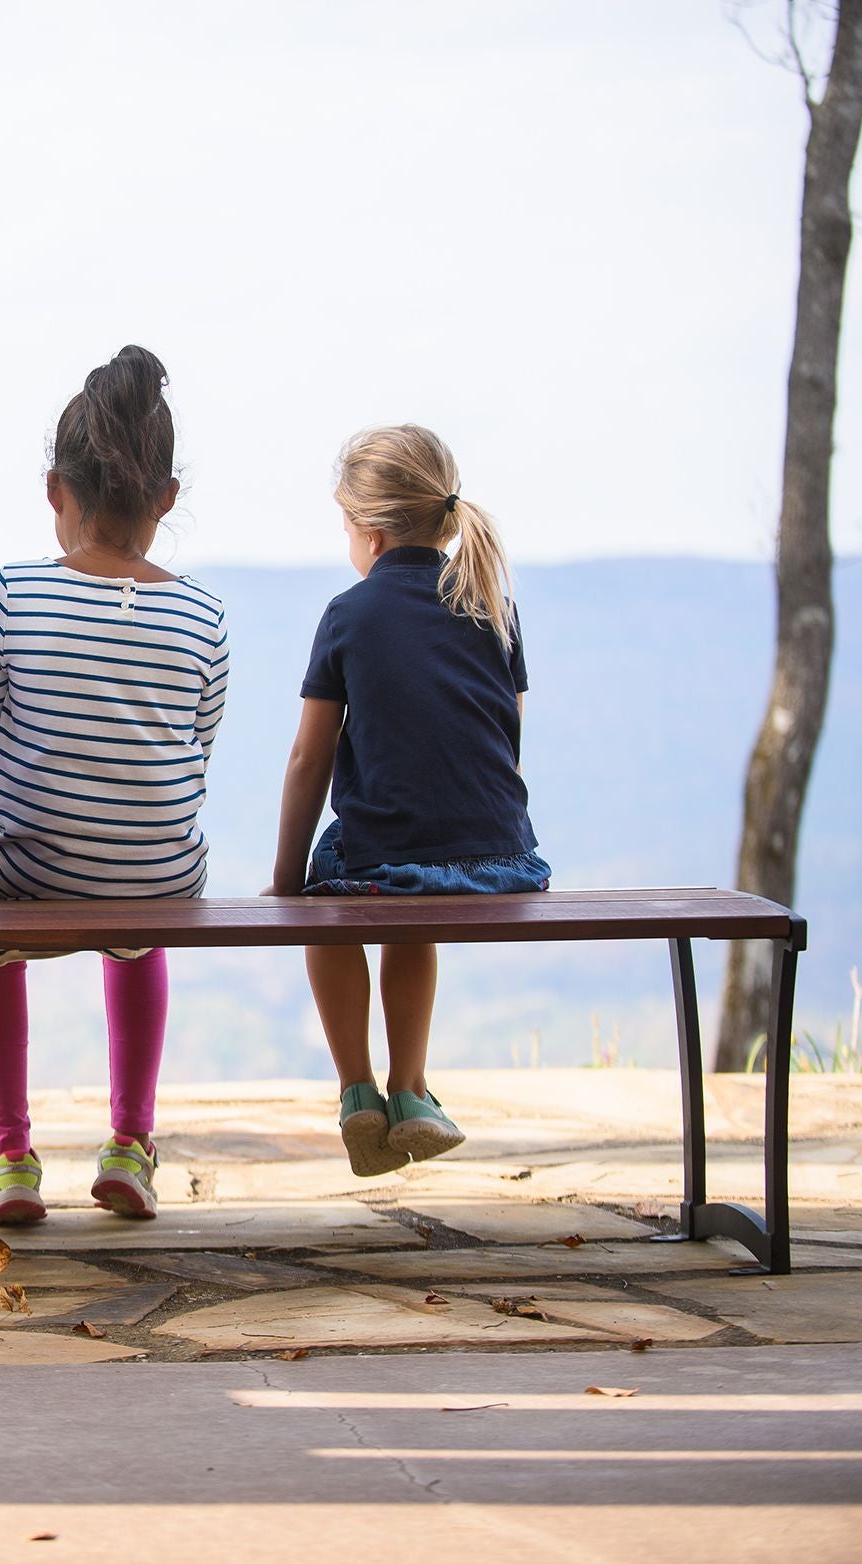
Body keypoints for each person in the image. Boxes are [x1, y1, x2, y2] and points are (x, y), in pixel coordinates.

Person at [0, 346, 230, 1226]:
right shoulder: (203, 613)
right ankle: (129, 1144)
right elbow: (197, 745)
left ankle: (9, 1156)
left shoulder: (14, 593)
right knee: (139, 919)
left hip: (32, 871)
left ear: (54, 491)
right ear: (166, 499)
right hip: (158, 877)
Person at [265, 425, 549, 1177]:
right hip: (501, 859)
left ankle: (359, 1086)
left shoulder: (349, 614)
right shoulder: (495, 604)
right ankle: (412, 1087)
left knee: (335, 893)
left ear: (372, 533)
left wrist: (287, 877)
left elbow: (309, 758)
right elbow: (505, 736)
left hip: (400, 858)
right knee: (410, 879)